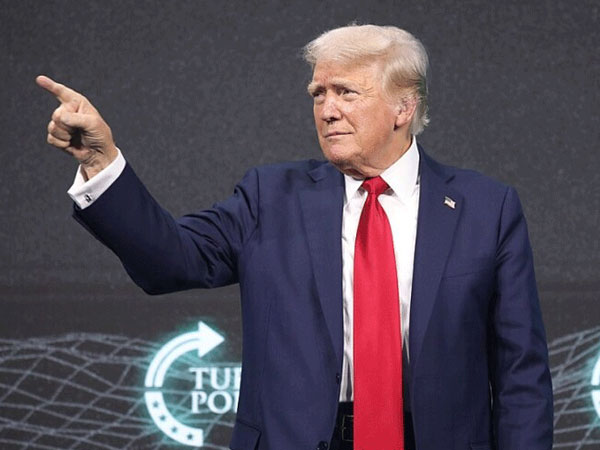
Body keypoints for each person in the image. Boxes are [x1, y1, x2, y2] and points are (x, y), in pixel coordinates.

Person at [37, 24, 553, 450]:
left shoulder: (486, 209)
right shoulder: (270, 197)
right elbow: (172, 259)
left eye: (346, 92)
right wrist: (102, 162)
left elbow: (521, 374)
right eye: (318, 94)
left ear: (404, 108)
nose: (327, 110)